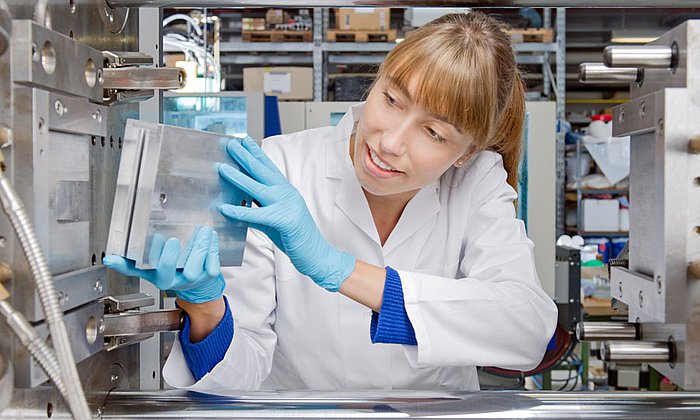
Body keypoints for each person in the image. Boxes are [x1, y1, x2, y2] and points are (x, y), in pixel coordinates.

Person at [104, 11, 558, 391]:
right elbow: (239, 378)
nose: (391, 142)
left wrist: (335, 268)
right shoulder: (282, 167)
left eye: (434, 133)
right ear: (377, 80)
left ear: (467, 153)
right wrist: (203, 304)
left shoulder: (477, 183)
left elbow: (527, 331)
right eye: (392, 99)